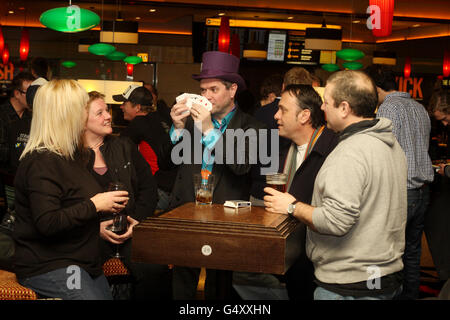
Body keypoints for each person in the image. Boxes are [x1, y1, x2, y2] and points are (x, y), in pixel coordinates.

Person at [264, 70, 408, 300]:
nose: (321, 108)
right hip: (384, 276)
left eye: (326, 102)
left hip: (350, 283)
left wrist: (292, 206)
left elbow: (335, 221)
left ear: (344, 108)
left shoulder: (349, 152)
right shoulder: (391, 145)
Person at [13, 79, 129, 300]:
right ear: (65, 116)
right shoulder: (42, 161)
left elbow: (72, 207)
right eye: (81, 109)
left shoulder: (72, 156)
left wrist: (98, 221)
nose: (84, 116)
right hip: (50, 265)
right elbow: (48, 222)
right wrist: (95, 205)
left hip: (81, 262)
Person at [169, 51, 265, 299]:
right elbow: (168, 163)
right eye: (203, 91)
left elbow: (241, 166)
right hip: (187, 210)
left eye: (213, 90)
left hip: (226, 215)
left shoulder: (251, 126)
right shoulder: (191, 121)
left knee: (219, 285)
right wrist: (178, 129)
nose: (206, 97)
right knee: (182, 281)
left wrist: (209, 129)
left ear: (232, 90)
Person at [234, 84, 338, 300]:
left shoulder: (332, 150)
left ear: (305, 116)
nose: (276, 115)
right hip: (294, 250)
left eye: (283, 110)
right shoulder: (285, 149)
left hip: (324, 259)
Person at [84, 91, 171, 300]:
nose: (108, 115)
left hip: (129, 229)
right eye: (100, 112)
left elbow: (149, 189)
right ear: (80, 119)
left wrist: (136, 222)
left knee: (156, 270)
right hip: (88, 235)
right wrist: (94, 230)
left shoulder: (123, 146)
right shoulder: (69, 155)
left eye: (107, 110)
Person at [367, 65, 434, 300]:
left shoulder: (387, 109)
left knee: (384, 253)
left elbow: (380, 151)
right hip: (423, 192)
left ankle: (380, 295)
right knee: (412, 254)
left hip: (400, 192)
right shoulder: (420, 108)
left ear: (375, 87)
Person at [250, 67, 314, 206]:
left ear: (283, 86)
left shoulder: (260, 113)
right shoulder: (312, 122)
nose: (277, 116)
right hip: (291, 195)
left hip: (262, 190)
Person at [113, 85, 176, 212]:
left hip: (159, 193)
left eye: (125, 103)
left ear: (137, 107)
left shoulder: (139, 122)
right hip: (174, 190)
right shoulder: (161, 118)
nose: (121, 107)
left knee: (119, 207)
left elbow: (116, 148)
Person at [0, 72, 35, 173]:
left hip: (26, 175)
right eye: (29, 93)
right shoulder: (2, 114)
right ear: (17, 94)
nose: (32, 97)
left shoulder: (31, 116)